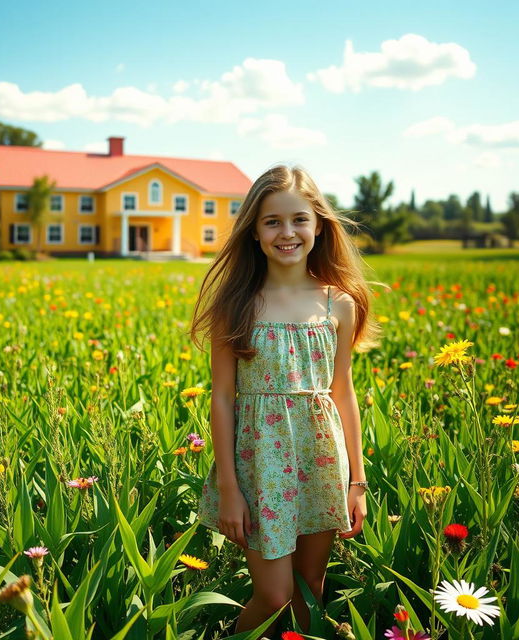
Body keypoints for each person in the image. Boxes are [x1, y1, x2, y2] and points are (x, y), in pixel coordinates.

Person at [188, 164, 383, 637]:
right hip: (260, 466)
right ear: (254, 232)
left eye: (298, 219)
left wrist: (356, 481)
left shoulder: (339, 302)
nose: (287, 232)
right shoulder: (237, 303)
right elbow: (222, 399)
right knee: (274, 597)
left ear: (319, 224)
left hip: (321, 459)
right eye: (272, 221)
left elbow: (342, 391)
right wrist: (230, 487)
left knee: (309, 590)